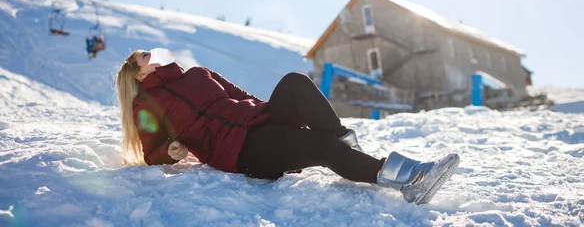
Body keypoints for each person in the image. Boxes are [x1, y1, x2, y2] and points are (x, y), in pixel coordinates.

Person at [116, 49, 460, 205]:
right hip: (239, 151)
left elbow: (243, 96)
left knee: (295, 81)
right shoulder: (145, 104)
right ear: (139, 75)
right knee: (324, 149)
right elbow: (151, 151)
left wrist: (282, 114)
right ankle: (407, 180)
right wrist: (171, 151)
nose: (148, 54)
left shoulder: (197, 73)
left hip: (259, 123)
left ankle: (346, 149)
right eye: (140, 57)